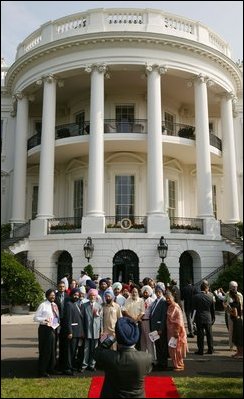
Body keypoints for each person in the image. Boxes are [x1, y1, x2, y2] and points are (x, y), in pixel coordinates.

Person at [94, 317, 153, 398]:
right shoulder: (147, 358)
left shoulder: (108, 357)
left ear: (117, 337)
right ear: (136, 336)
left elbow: (96, 353)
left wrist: (111, 339)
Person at [33, 289, 60, 377]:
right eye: (51, 295)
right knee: (45, 350)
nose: (53, 297)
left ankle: (51, 368)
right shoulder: (43, 305)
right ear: (47, 296)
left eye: (54, 295)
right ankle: (42, 370)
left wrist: (55, 325)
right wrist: (44, 320)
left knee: (53, 350)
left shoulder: (55, 305)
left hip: (53, 328)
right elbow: (35, 318)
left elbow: (56, 316)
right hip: (44, 329)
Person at [165, 292, 188, 371]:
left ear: (173, 298)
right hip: (171, 332)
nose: (168, 300)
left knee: (177, 349)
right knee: (172, 349)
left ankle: (179, 365)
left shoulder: (175, 306)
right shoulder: (170, 306)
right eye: (166, 298)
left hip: (176, 332)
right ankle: (176, 364)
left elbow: (179, 320)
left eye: (169, 298)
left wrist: (177, 331)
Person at [192, 280, 215, 355]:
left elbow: (194, 308)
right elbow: (212, 309)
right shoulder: (211, 296)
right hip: (208, 317)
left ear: (200, 288)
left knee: (200, 335)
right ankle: (210, 349)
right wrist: (213, 318)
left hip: (199, 317)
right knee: (209, 334)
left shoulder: (196, 297)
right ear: (206, 288)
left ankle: (201, 350)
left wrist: (193, 319)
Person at [223, 281, 243, 350]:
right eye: (233, 287)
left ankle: (239, 347)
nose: (235, 288)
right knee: (231, 331)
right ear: (230, 287)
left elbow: (242, 305)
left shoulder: (240, 295)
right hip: (230, 315)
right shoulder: (228, 294)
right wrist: (226, 307)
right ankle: (231, 346)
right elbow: (224, 302)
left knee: (238, 332)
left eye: (236, 286)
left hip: (238, 315)